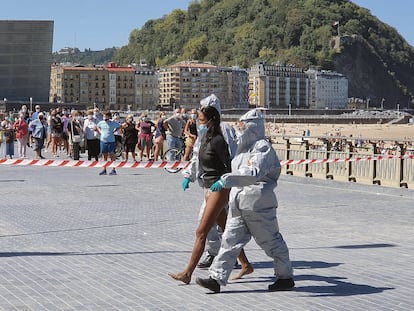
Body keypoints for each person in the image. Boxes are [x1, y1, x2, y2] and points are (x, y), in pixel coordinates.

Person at [195, 109, 294, 293]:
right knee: (229, 241)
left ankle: (285, 276)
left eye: (243, 124)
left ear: (253, 126)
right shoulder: (242, 149)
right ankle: (216, 279)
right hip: (239, 203)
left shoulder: (262, 148)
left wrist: (226, 180)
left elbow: (253, 173)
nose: (240, 127)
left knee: (271, 241)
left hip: (259, 204)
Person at [168, 105, 253, 285]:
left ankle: (187, 273)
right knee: (226, 230)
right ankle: (245, 264)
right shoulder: (205, 138)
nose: (198, 123)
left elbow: (230, 165)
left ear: (211, 120)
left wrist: (224, 182)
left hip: (218, 189)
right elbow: (198, 161)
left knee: (201, 232)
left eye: (201, 120)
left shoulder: (218, 140)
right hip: (207, 188)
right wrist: (188, 177)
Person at [96, 111, 121, 175]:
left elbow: (120, 126)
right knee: (104, 155)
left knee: (112, 155)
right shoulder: (101, 123)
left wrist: (115, 130)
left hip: (111, 141)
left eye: (106, 116)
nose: (105, 117)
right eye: (104, 116)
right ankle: (104, 169)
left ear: (109, 117)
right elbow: (97, 126)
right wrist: (100, 131)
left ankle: (113, 169)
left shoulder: (113, 123)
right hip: (103, 140)